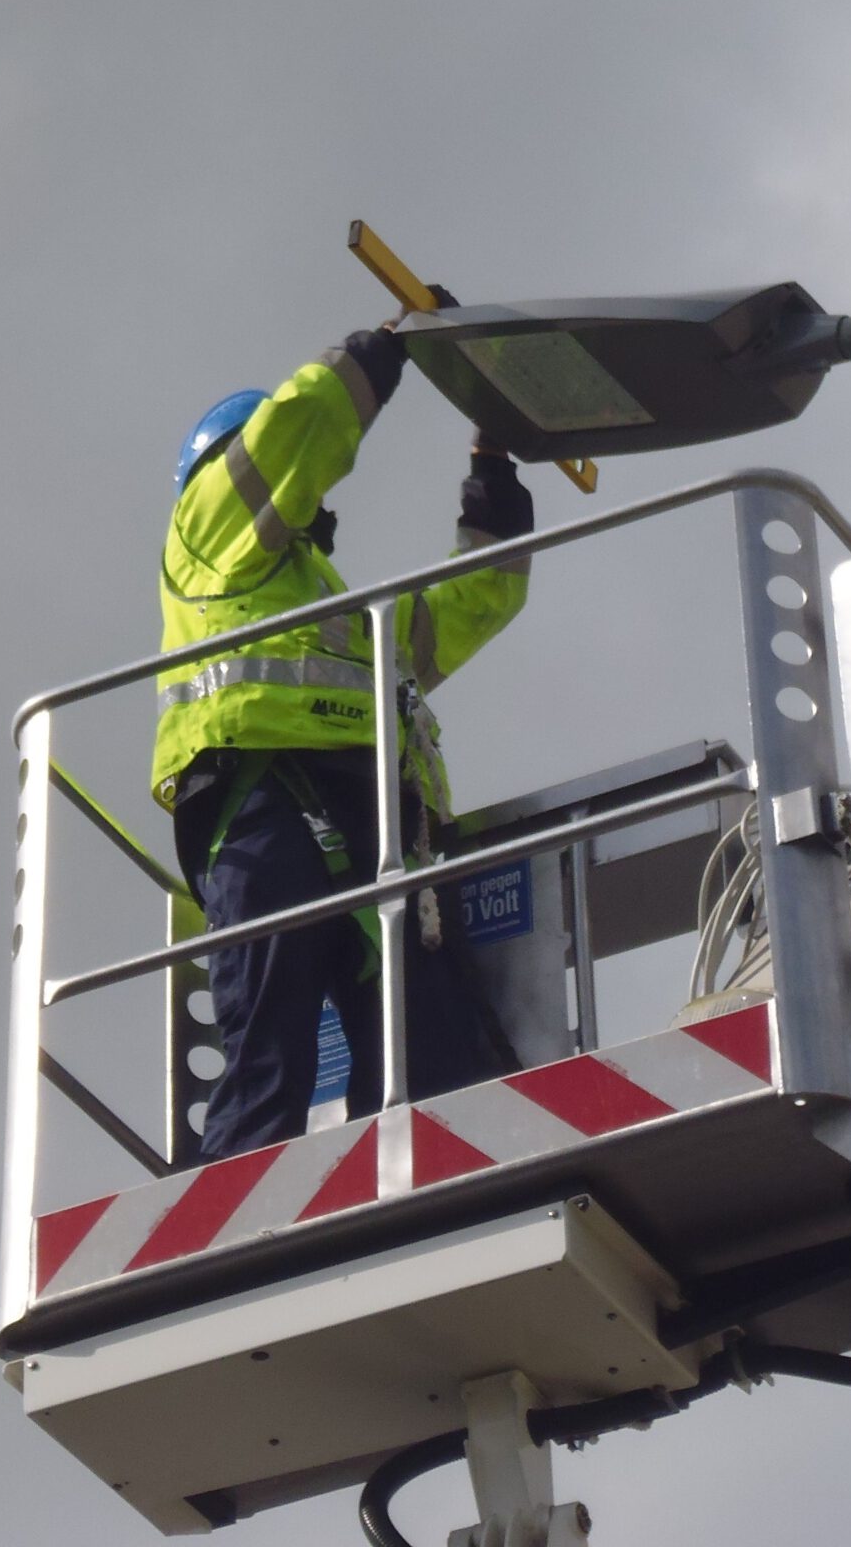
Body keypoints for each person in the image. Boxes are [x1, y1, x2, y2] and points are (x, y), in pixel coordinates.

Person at [151, 299, 534, 1160]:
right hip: (266, 812)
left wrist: (494, 469)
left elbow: (477, 602)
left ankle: (413, 1217)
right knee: (268, 1075)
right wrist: (389, 350)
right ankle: (232, 1264)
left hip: (372, 837)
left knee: (427, 1067)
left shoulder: (336, 616)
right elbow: (301, 431)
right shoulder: (208, 534)